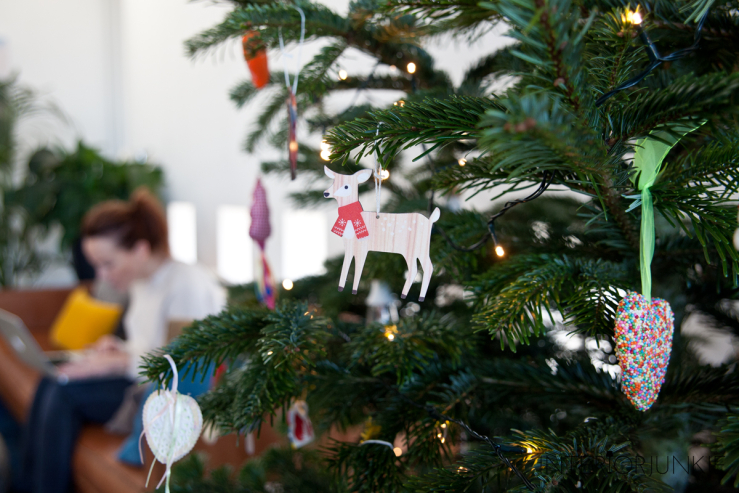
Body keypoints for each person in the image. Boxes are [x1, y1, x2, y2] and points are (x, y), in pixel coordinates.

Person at [18, 188, 226, 493]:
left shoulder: (186, 285)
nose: (102, 277)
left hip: (160, 394)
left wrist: (119, 362)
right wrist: (120, 349)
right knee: (50, 382)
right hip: (138, 377)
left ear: (141, 250)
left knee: (63, 394)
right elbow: (150, 345)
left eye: (108, 264)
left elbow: (184, 368)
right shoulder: (142, 282)